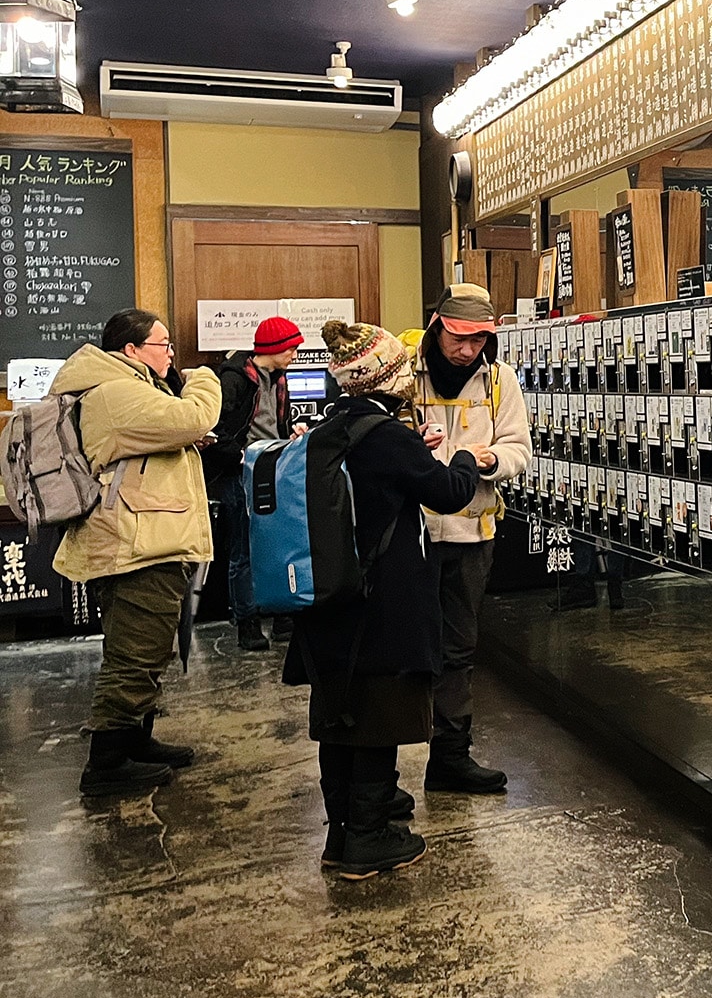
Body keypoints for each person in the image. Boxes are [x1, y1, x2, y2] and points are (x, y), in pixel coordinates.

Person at [283, 320, 483, 881]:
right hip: (382, 604)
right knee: (377, 721)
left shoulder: (331, 429)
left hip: (330, 601)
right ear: (391, 378)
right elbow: (448, 494)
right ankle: (370, 841)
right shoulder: (390, 436)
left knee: (337, 720)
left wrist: (413, 454)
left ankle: (341, 834)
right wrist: (464, 457)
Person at [52, 309, 222, 797]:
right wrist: (204, 375)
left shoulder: (127, 388)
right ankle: (105, 763)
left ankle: (135, 741)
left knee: (148, 648)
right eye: (163, 344)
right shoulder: (116, 391)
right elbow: (194, 415)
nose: (170, 353)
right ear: (131, 350)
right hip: (134, 543)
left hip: (147, 537)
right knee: (134, 654)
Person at [410, 283, 530, 794]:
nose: (466, 350)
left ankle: (451, 758)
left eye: (478, 340)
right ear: (437, 327)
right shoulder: (404, 373)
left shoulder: (501, 382)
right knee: (402, 647)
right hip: (409, 535)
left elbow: (521, 450)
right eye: (458, 338)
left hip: (472, 532)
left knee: (459, 650)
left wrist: (492, 460)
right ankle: (384, 768)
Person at [202, 316, 305, 651]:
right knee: (243, 550)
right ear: (274, 348)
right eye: (291, 346)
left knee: (279, 542)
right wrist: (240, 455)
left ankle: (282, 616)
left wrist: (291, 435)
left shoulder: (279, 379)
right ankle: (247, 622)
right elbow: (212, 433)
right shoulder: (233, 379)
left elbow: (276, 422)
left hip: (274, 467)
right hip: (239, 472)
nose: (295, 353)